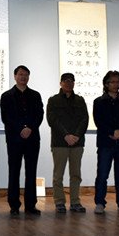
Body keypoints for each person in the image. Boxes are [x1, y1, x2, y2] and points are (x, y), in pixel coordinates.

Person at [0, 65, 44, 216]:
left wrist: (30, 128)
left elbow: (39, 115)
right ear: (15, 76)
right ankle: (14, 205)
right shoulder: (6, 96)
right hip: (14, 139)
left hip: (32, 139)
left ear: (29, 77)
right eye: (20, 74)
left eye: (26, 75)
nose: (23, 77)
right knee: (14, 171)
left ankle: (31, 205)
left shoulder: (35, 95)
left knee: (31, 172)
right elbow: (6, 117)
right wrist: (21, 128)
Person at [92, 71, 119, 214]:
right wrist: (112, 132)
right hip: (106, 142)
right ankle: (100, 203)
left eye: (118, 82)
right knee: (102, 174)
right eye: (113, 82)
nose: (116, 84)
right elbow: (99, 121)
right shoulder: (99, 102)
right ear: (106, 84)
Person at [46, 73, 89, 213]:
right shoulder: (53, 100)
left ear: (74, 83)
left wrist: (76, 135)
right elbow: (52, 120)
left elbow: (85, 119)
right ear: (61, 83)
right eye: (66, 81)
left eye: (71, 81)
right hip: (60, 142)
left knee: (76, 174)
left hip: (77, 142)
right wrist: (66, 135)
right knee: (58, 175)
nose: (69, 83)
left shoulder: (80, 100)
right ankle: (59, 202)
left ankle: (75, 202)